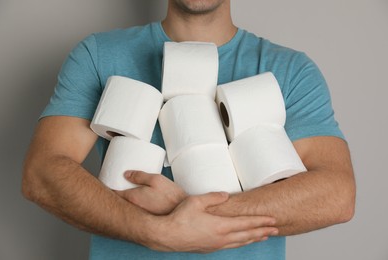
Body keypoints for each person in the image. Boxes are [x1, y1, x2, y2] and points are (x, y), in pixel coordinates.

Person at [22, 0, 356, 259]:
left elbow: (336, 194)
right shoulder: (98, 55)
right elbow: (42, 173)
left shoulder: (289, 71)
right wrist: (155, 231)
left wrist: (185, 210)